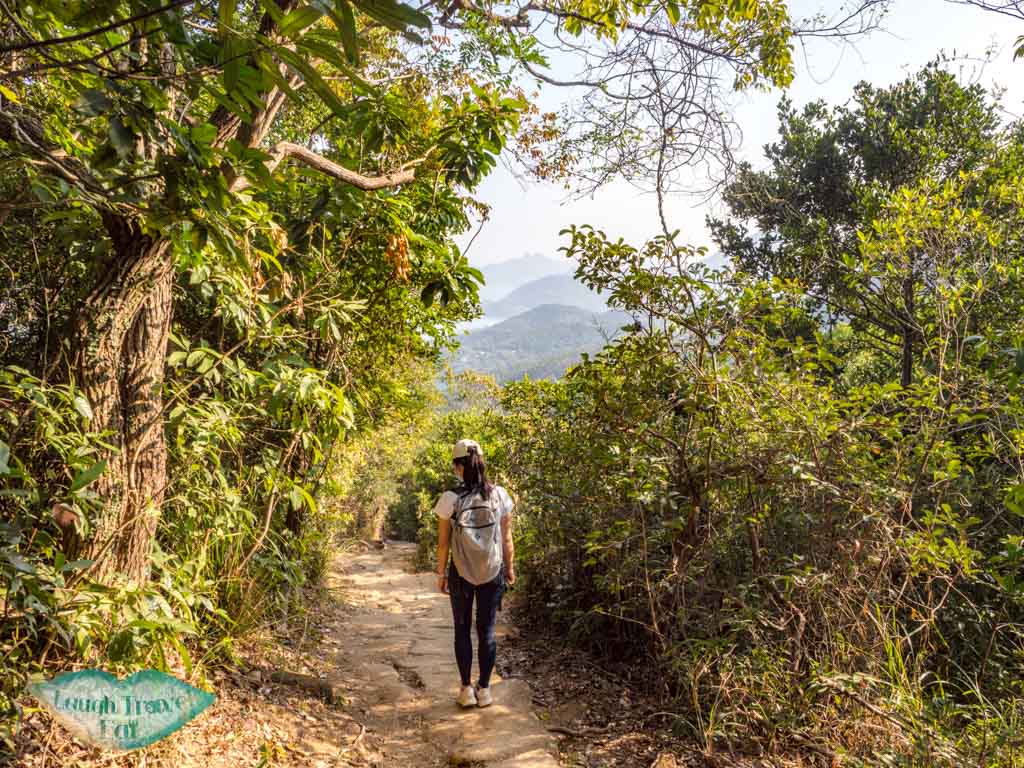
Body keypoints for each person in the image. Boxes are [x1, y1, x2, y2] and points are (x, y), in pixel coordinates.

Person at [433, 438, 516, 708]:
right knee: (487, 630)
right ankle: (485, 689)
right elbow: (506, 539)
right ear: (482, 463)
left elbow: (443, 543)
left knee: (461, 628)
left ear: (458, 466)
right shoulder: (500, 495)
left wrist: (441, 574)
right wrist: (510, 568)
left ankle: (466, 689)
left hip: (461, 571)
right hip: (492, 571)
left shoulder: (450, 499)